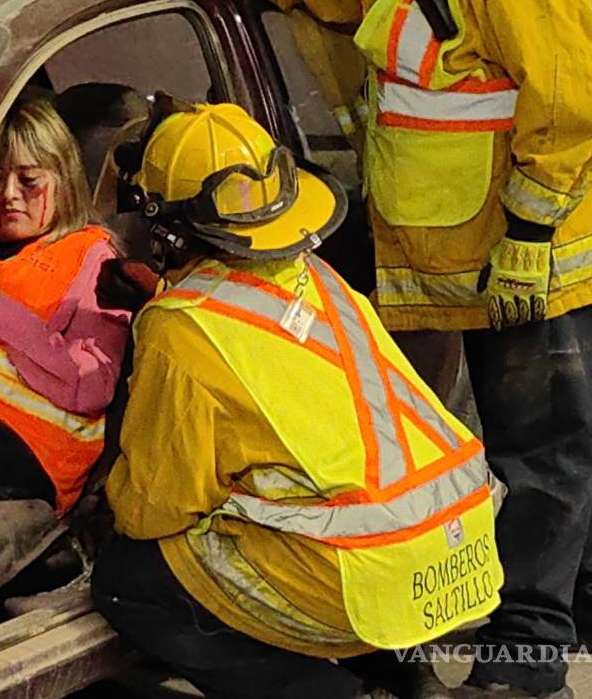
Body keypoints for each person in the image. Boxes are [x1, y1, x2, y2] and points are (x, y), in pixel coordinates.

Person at [71, 0, 592, 695]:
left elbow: (573, 101)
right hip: (453, 237)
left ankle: (527, 660)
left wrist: (531, 233)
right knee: (555, 426)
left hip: (542, 238)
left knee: (540, 451)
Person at [92, 99, 502, 699]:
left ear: (163, 227)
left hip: (359, 570)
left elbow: (159, 505)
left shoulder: (179, 328)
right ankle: (411, 679)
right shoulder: (321, 280)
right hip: (451, 541)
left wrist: (110, 504)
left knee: (130, 580)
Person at [0, 97, 130, 515]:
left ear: (63, 179)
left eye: (29, 180)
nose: (9, 195)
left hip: (27, 449)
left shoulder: (91, 257)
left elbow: (91, 386)